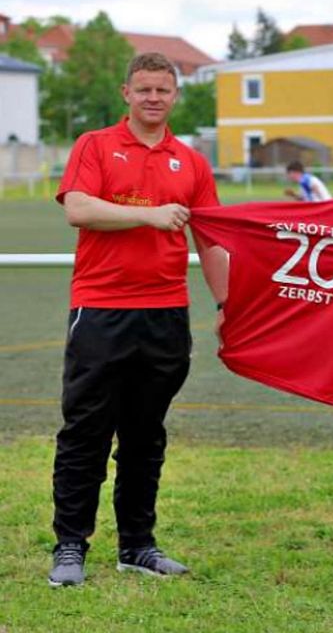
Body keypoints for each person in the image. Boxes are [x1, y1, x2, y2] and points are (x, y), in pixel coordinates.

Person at [49, 52, 222, 587]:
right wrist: (148, 215)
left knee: (146, 436)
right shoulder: (95, 146)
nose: (153, 98)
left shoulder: (191, 162)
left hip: (166, 314)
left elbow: (210, 239)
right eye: (144, 89)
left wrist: (227, 305)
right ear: (126, 93)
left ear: (175, 96)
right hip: (101, 311)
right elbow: (78, 208)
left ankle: (137, 547)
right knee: (86, 433)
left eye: (163, 91)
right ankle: (70, 546)